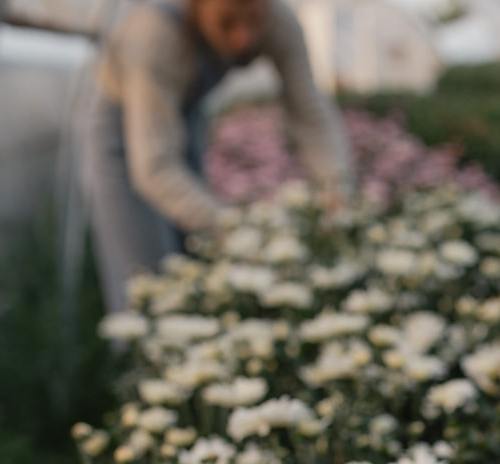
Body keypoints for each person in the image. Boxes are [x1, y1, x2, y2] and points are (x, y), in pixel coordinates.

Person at [83, 0, 354, 313]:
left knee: (192, 261)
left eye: (254, 19)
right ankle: (138, 354)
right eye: (227, 22)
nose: (243, 39)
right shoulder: (153, 32)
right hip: (126, 134)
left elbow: (310, 114)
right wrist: (233, 228)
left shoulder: (279, 21)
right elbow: (154, 166)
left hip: (187, 116)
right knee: (146, 283)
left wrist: (337, 190)